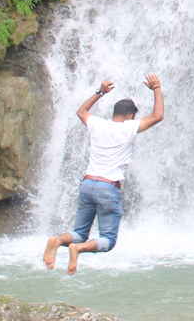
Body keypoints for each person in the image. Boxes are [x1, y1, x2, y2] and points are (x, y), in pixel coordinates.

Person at [42, 73, 165, 274]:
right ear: (130, 116)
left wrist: (100, 92)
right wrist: (157, 88)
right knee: (108, 240)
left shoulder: (97, 124)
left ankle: (56, 241)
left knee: (79, 232)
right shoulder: (129, 127)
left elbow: (81, 111)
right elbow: (157, 116)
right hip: (108, 187)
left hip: (88, 184)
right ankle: (78, 249)